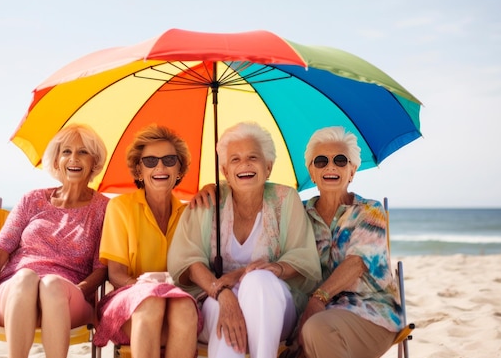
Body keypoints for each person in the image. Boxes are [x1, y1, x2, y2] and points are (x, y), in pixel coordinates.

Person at [168, 121, 321, 358]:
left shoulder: (286, 199)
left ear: (268, 167)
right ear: (225, 171)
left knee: (259, 280)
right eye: (235, 159)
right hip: (214, 300)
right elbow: (189, 260)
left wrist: (271, 269)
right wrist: (222, 292)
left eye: (253, 157)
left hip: (273, 307)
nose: (245, 165)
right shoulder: (207, 202)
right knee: (221, 311)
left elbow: (303, 257)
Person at [0, 124, 110, 358]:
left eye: (83, 152)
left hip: (67, 296)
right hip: (15, 292)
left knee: (51, 284)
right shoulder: (32, 200)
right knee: (26, 277)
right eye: (66, 151)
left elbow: (102, 268)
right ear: (57, 160)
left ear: (94, 162)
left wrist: (80, 290)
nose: (74, 159)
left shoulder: (104, 208)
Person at [93, 124, 201, 358]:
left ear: (180, 169)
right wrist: (150, 287)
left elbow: (190, 274)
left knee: (185, 307)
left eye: (169, 160)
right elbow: (116, 275)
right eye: (150, 161)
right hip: (128, 300)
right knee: (151, 302)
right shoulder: (120, 207)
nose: (160, 166)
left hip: (176, 302)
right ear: (139, 170)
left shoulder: (189, 214)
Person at [298, 126, 403, 358]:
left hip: (370, 312)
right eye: (321, 161)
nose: (331, 166)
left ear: (352, 171)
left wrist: (318, 299)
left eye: (340, 160)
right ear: (312, 172)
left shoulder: (369, 211)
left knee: (316, 328)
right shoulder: (297, 213)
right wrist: (214, 191)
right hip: (315, 314)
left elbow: (355, 264)